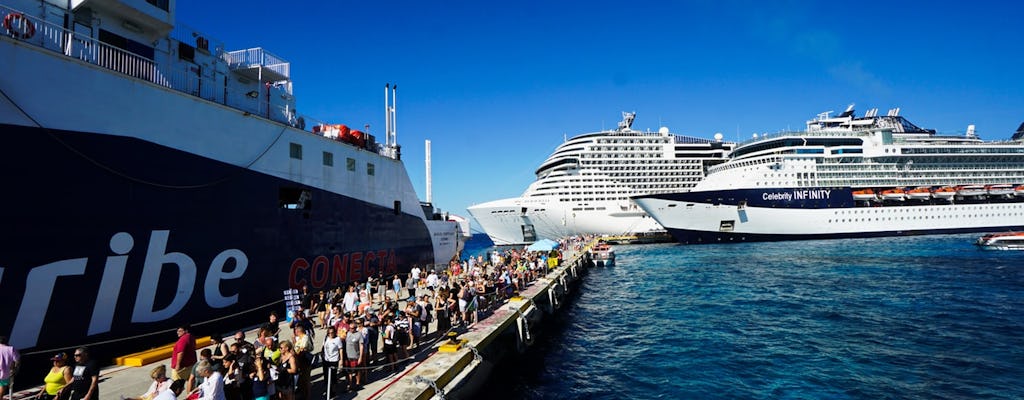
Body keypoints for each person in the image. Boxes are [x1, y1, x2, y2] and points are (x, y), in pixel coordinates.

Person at [321, 327, 343, 395]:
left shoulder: (337, 339)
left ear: (335, 332)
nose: (330, 334)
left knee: (333, 376)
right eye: (329, 333)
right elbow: (323, 346)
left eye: (332, 332)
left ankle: (333, 390)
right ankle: (328, 389)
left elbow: (340, 349)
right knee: (326, 376)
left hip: (334, 360)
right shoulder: (326, 338)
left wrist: (341, 359)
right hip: (326, 360)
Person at [343, 323, 364, 391]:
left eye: (353, 328)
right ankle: (350, 385)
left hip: (355, 356)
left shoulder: (359, 334)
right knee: (349, 372)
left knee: (357, 371)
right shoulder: (347, 333)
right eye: (350, 328)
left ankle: (358, 384)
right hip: (348, 356)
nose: (351, 329)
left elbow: (361, 346)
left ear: (356, 328)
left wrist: (360, 357)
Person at [0, 336, 19, 400]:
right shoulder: (11, 349)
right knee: (2, 386)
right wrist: (15, 370)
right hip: (4, 373)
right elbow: (17, 360)